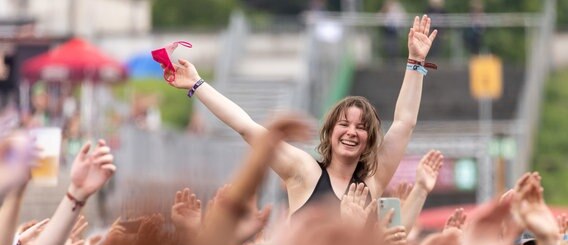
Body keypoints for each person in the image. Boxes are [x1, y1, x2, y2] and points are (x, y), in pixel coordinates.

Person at [164, 15, 438, 216]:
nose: (352, 132)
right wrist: (197, 84)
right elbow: (247, 127)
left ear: (369, 139)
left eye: (361, 127)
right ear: (330, 132)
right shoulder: (304, 171)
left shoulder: (371, 182)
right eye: (344, 124)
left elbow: (404, 123)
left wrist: (415, 61)